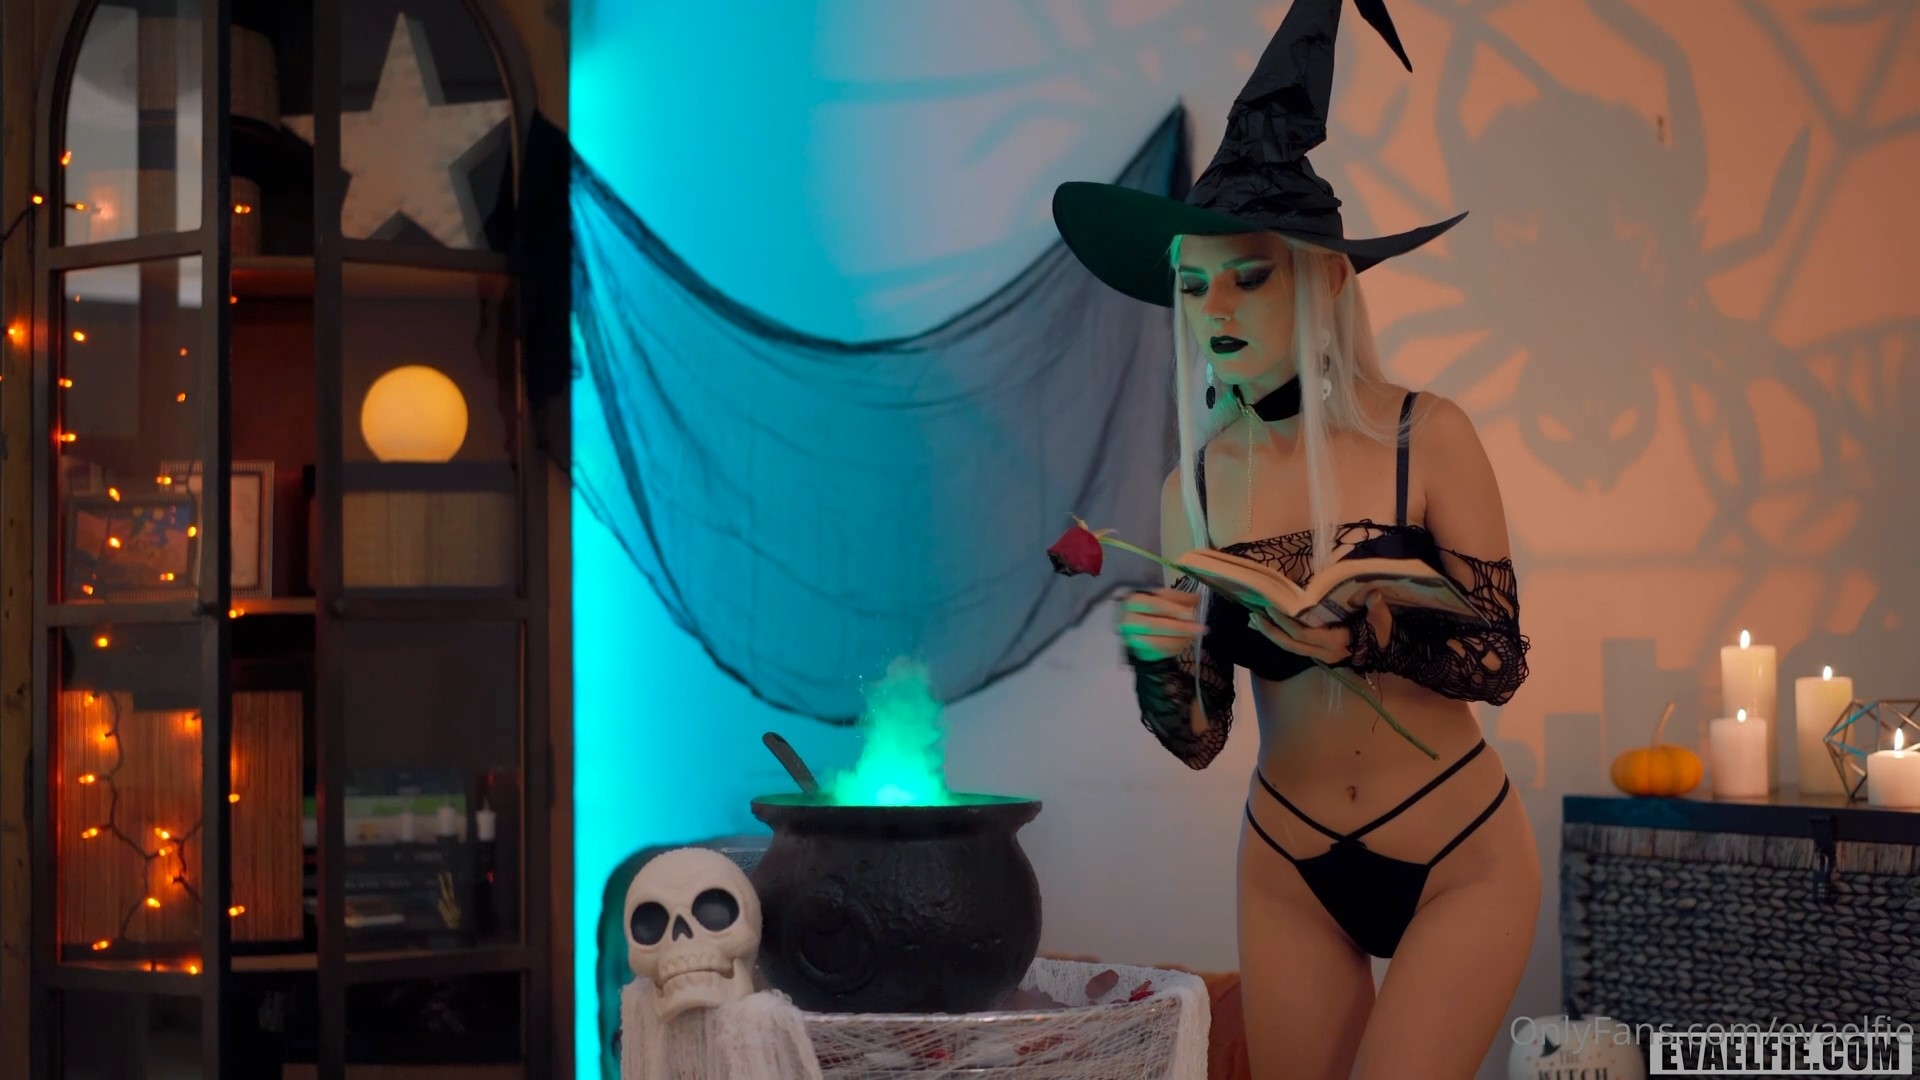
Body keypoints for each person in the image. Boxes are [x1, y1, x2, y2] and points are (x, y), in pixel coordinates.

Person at [1051, 1, 1540, 1076]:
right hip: (1288, 860)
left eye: (1248, 274)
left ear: (1321, 275)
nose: (1215, 306)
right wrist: (1160, 664)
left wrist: (1368, 633)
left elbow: (1500, 660)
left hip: (1458, 852)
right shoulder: (1193, 490)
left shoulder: (1427, 436)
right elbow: (1202, 738)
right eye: (1193, 284)